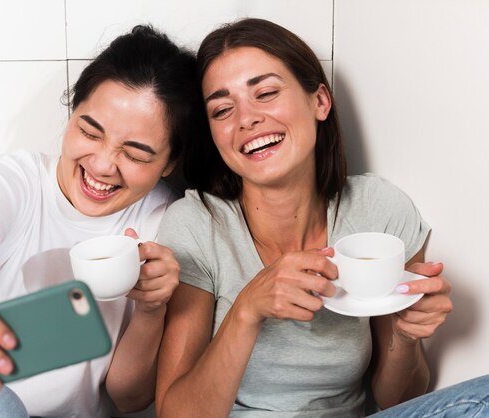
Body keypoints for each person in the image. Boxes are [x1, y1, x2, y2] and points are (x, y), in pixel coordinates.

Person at [155, 18, 488, 417]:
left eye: (265, 93)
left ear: (320, 101)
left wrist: (404, 333)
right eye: (222, 109)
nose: (246, 119)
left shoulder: (378, 209)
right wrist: (247, 309)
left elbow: (398, 401)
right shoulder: (197, 225)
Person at [0, 25, 204, 418]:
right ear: (72, 115)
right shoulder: (15, 181)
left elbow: (129, 399)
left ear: (169, 162)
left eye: (136, 155)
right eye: (90, 132)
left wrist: (152, 310)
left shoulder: (165, 221)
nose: (103, 166)